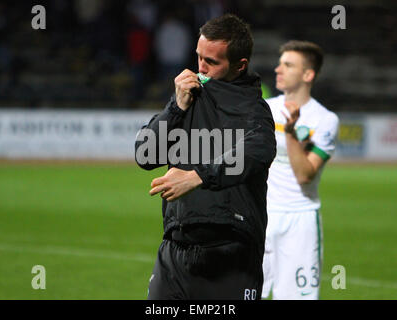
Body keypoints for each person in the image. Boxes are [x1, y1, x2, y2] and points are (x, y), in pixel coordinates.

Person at [135, 14, 276, 300]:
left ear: (240, 65)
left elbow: (257, 152)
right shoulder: (188, 97)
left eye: (211, 62)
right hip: (176, 250)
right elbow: (145, 154)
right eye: (198, 57)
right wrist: (176, 107)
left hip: (230, 252)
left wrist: (196, 176)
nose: (200, 67)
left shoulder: (253, 110)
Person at [261, 40, 339, 300]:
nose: (278, 69)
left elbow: (305, 174)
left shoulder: (324, 120)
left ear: (308, 75)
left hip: (299, 221)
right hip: (259, 216)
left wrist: (291, 133)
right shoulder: (265, 109)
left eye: (288, 65)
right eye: (280, 63)